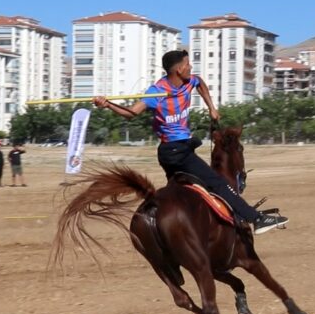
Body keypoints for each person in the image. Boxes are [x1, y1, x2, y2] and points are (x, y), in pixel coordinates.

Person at [93, 50, 288, 235]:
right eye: (187, 64)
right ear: (178, 69)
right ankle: (256, 219)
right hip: (175, 152)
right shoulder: (156, 92)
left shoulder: (189, 82)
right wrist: (107, 104)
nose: (190, 67)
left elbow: (200, 83)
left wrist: (211, 107)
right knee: (218, 183)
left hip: (181, 148)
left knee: (185, 191)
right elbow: (131, 113)